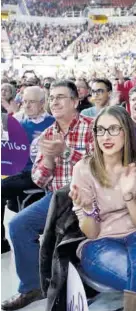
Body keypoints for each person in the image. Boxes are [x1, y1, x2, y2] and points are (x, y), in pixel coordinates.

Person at [1, 80, 94, 311]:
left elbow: (98, 169)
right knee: (18, 225)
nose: (55, 101)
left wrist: (66, 152)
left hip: (89, 198)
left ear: (75, 101)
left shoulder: (92, 128)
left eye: (60, 97)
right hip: (55, 199)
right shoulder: (47, 133)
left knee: (67, 232)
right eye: (52, 97)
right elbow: (39, 180)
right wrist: (50, 160)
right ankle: (32, 287)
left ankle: (79, 286)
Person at [70, 106, 136, 311]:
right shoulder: (83, 168)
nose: (106, 136)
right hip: (99, 244)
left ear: (127, 132)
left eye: (114, 129)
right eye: (101, 130)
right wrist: (87, 208)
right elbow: (92, 232)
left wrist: (128, 195)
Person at [1, 86, 55, 254]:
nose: (27, 105)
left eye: (31, 102)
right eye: (24, 101)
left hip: (39, 173)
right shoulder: (16, 121)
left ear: (42, 103)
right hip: (17, 171)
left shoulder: (53, 123)